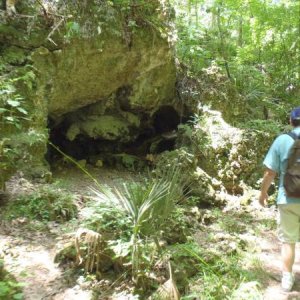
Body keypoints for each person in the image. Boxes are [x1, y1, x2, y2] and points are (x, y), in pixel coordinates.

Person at [259, 107, 300, 292]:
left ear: (291, 121)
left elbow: (270, 172)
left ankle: (287, 278)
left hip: (288, 197)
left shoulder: (282, 140)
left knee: (288, 240)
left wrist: (263, 193)